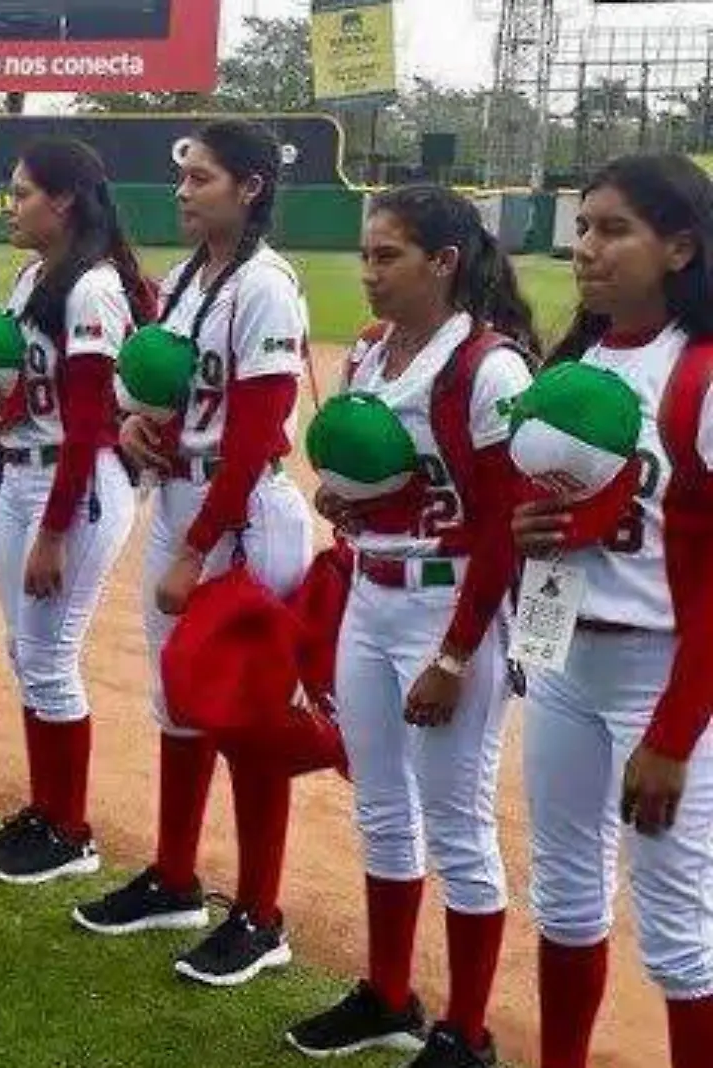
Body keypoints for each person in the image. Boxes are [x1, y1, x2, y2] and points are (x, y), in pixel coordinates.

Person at [284, 185, 538, 1066]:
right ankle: (388, 996)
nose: (369, 273)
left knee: (459, 825)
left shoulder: (489, 368)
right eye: (365, 254)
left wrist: (458, 654)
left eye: (388, 255)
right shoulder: (366, 353)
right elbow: (392, 485)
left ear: (445, 262)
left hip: (451, 605)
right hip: (371, 592)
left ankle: (467, 1033)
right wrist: (347, 496)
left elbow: (506, 526)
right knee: (384, 813)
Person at [73, 119, 317, 990]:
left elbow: (254, 436)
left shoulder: (266, 288)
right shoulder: (183, 280)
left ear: (250, 187)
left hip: (242, 513)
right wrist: (135, 427)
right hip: (181, 495)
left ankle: (260, 914)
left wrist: (196, 548)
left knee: (249, 717)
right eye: (184, 180)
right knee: (179, 698)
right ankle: (176, 878)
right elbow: (161, 389)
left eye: (203, 179)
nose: (183, 193)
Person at [511, 153, 713, 1068]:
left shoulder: (700, 374)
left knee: (678, 924)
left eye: (613, 229)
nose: (586, 248)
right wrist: (530, 528)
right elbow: (556, 522)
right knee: (563, 892)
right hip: (563, 662)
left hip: (665, 676)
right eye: (582, 227)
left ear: (679, 247)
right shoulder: (578, 362)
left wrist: (674, 734)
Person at [0, 140, 147, 879]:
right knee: (25, 654)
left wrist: (54, 533)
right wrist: (0, 411)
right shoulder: (37, 274)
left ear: (63, 201)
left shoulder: (93, 288)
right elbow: (33, 388)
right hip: (24, 476)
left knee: (50, 657)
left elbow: (88, 419)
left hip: (77, 486)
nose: (11, 206)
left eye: (24, 192)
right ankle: (45, 810)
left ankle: (69, 833)